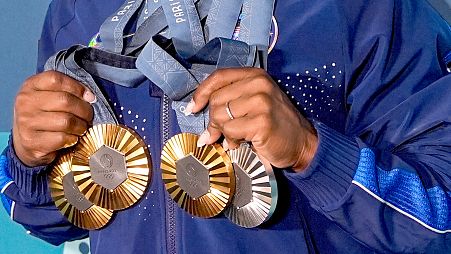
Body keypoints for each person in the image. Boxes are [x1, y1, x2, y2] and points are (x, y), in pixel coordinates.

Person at [1, 0, 451, 253]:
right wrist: (29, 161)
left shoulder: (364, 9)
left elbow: (440, 218)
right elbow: (50, 218)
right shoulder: (77, 10)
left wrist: (312, 153)